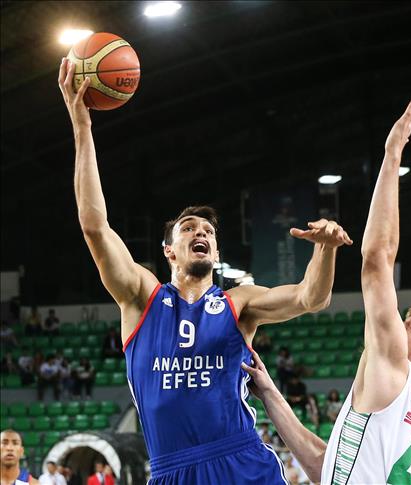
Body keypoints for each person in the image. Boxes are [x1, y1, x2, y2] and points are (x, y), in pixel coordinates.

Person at [58, 58, 352, 484]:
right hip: (172, 470)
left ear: (215, 252)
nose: (201, 232)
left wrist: (325, 250)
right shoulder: (141, 296)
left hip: (240, 461)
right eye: (189, 228)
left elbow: (312, 298)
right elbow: (94, 226)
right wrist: (82, 128)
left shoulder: (239, 303)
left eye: (209, 232)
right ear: (169, 251)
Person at [241, 97, 411, 484]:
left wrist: (392, 155)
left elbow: (378, 258)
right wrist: (269, 394)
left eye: (409, 324)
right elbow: (327, 465)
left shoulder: (397, 370)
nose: (396, 323)